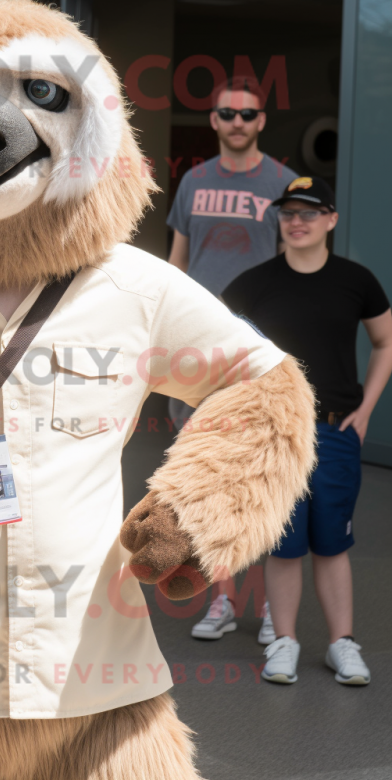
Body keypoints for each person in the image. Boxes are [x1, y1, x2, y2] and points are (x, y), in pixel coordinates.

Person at [221, 176, 392, 684]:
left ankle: (343, 644)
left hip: (336, 432)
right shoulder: (255, 282)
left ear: (331, 220)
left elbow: (385, 342)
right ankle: (285, 643)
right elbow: (221, 348)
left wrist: (366, 409)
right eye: (289, 212)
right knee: (284, 545)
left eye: (310, 213)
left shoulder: (356, 280)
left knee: (332, 543)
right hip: (276, 436)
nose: (297, 221)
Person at [167, 75, 298, 641]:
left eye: (248, 114)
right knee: (210, 478)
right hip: (199, 352)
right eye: (228, 114)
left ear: (261, 121)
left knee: (264, 478)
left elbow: (301, 267)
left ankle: (273, 609)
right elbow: (174, 263)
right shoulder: (193, 182)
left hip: (260, 351)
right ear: (214, 121)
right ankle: (222, 600)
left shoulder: (286, 183)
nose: (238, 122)